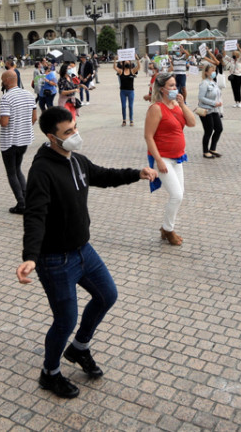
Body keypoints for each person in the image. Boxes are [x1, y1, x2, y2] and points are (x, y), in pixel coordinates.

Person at [16, 106, 158, 399]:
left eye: (75, 128)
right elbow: (35, 215)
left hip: (83, 250)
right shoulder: (42, 170)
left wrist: (137, 173)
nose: (75, 135)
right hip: (55, 259)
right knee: (65, 320)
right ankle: (50, 373)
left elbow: (102, 175)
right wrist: (30, 256)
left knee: (107, 295)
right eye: (67, 132)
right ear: (50, 137)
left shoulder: (76, 160)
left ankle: (78, 348)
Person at [144, 72, 196, 246]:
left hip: (178, 158)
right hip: (163, 158)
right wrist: (158, 161)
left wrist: (182, 104)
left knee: (179, 195)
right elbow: (148, 137)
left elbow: (192, 123)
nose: (175, 88)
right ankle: (168, 229)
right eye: (172, 86)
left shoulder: (176, 105)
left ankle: (166, 228)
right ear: (162, 89)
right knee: (176, 195)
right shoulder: (156, 108)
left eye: (176, 85)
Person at [0, 70, 37, 214]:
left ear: (7, 80)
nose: (1, 82)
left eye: (2, 79)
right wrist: (23, 127)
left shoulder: (6, 98)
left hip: (10, 142)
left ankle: (21, 204)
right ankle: (27, 199)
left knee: (12, 173)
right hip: (24, 140)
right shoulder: (28, 94)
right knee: (18, 169)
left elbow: (4, 122)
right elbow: (34, 118)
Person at [196, 63, 223, 159]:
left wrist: (219, 104)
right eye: (212, 70)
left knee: (219, 128)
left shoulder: (214, 82)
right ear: (206, 72)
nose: (214, 72)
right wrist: (213, 103)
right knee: (209, 130)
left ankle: (212, 148)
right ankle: (205, 151)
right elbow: (201, 97)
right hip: (205, 110)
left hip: (214, 109)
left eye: (214, 70)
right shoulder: (204, 83)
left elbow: (218, 95)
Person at [114, 55, 140, 126]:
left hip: (130, 91)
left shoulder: (132, 71)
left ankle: (131, 120)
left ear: (130, 62)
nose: (127, 62)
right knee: (123, 106)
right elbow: (114, 67)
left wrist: (137, 59)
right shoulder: (121, 71)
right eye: (125, 61)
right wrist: (115, 60)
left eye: (128, 60)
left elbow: (138, 67)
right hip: (123, 91)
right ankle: (124, 120)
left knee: (130, 106)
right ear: (123, 63)